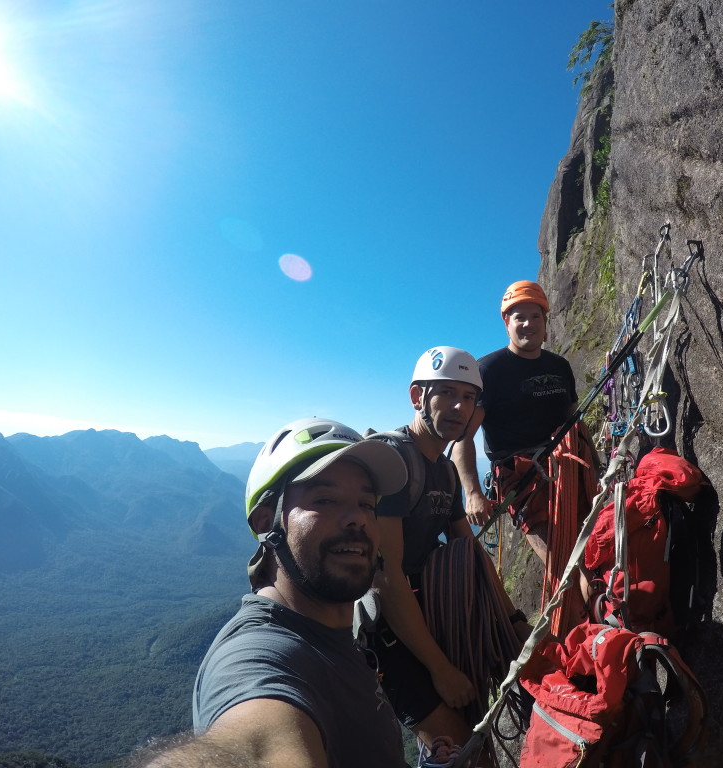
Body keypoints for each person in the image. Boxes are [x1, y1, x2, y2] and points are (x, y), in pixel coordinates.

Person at [139, 417, 409, 768]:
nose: (355, 518)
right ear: (266, 523)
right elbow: (254, 741)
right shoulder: (258, 655)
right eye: (325, 499)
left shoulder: (330, 633)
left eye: (366, 504)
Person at [368, 346, 528, 766]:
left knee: (463, 740)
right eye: (447, 393)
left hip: (429, 618)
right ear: (417, 396)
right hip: (391, 636)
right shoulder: (395, 461)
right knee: (459, 747)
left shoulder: (443, 469)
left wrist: (512, 621)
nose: (459, 406)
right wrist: (441, 669)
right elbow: (387, 579)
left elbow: (469, 550)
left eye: (469, 397)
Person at [454, 281, 597, 565]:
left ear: (545, 323)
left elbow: (574, 422)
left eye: (535, 316)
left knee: (595, 548)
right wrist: (472, 494)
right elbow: (462, 437)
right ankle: (582, 607)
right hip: (522, 476)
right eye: (519, 317)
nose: (528, 324)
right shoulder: (489, 369)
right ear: (507, 323)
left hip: (569, 465)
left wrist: (596, 465)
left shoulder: (559, 366)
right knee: (563, 563)